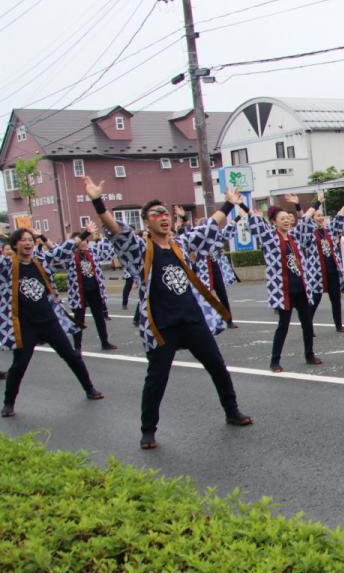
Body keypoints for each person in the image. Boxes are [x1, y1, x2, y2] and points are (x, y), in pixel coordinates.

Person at [86, 177, 251, 449]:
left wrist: (229, 205)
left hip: (192, 319)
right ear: (146, 223)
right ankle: (148, 430)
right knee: (157, 378)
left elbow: (210, 226)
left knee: (217, 366)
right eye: (156, 214)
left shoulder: (182, 244)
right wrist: (97, 201)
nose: (163, 217)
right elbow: (116, 229)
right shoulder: (141, 250)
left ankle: (232, 411)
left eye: (165, 213)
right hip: (162, 324)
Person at [1, 229, 104, 417]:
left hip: (49, 321)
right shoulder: (8, 266)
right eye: (23, 240)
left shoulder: (40, 261)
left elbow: (62, 250)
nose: (28, 243)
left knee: (72, 356)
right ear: (15, 244)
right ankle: (8, 403)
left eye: (30, 240)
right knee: (19, 364)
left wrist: (86, 233)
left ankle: (89, 388)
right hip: (25, 325)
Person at [246, 195, 321, 372]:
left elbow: (306, 221)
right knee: (283, 326)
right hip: (283, 290)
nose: (287, 221)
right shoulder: (270, 239)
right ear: (274, 222)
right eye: (282, 219)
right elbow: (257, 227)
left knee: (307, 322)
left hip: (301, 288)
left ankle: (309, 354)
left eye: (288, 219)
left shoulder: (294, 236)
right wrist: (247, 210)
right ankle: (275, 361)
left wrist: (300, 204)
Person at [295, 190, 344, 333]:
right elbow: (303, 220)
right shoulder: (308, 233)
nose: (320, 218)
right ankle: (307, 327)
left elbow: (340, 217)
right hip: (316, 273)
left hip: (332, 270)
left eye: (322, 215)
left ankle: (338, 325)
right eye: (317, 216)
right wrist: (316, 203)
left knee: (336, 299)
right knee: (314, 301)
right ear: (312, 218)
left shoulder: (329, 230)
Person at [66, 222, 118, 352]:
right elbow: (63, 249)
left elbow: (107, 249)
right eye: (81, 240)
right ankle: (77, 346)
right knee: (79, 320)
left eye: (85, 241)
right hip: (79, 293)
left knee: (99, 318)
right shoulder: (70, 256)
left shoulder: (92, 252)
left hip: (94, 291)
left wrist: (105, 232)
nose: (84, 243)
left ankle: (104, 342)